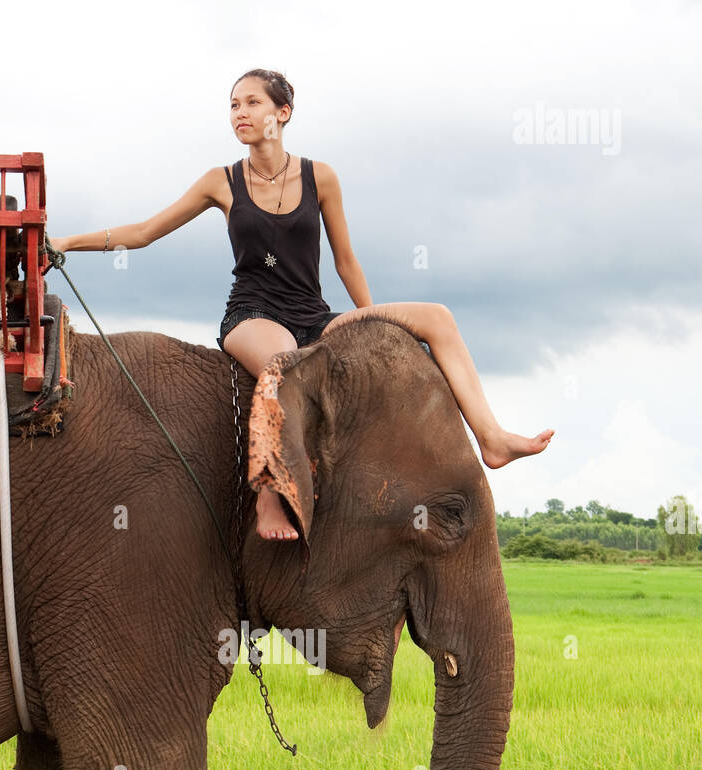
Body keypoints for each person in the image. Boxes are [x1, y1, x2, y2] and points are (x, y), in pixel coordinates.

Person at [49, 67, 555, 541]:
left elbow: (347, 261)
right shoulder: (220, 181)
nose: (239, 113)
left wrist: (371, 323)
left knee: (437, 318)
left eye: (251, 102)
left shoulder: (321, 177)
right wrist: (68, 242)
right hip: (253, 314)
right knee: (283, 360)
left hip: (314, 313)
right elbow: (143, 232)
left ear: (283, 113)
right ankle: (270, 490)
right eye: (232, 105)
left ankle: (490, 437)